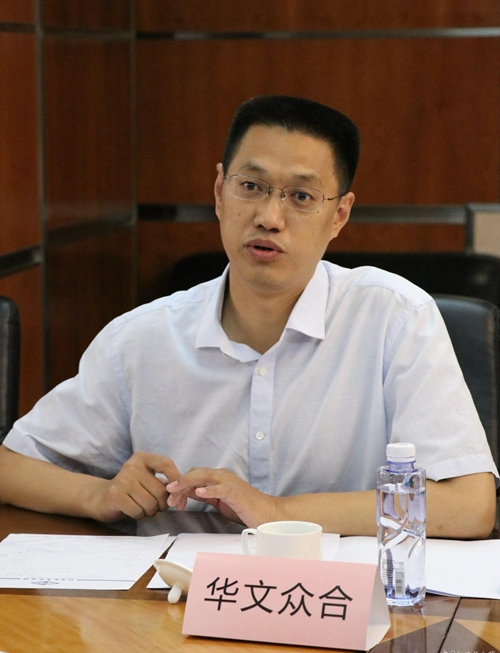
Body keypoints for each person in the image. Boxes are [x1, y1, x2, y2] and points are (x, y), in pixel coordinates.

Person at [0, 95, 497, 538]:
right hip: (173, 608)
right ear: (220, 192)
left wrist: (277, 511)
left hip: (339, 602)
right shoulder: (141, 339)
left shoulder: (394, 319)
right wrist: (101, 495)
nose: (268, 217)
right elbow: (10, 466)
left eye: (301, 197)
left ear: (339, 215)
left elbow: (469, 506)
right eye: (252, 186)